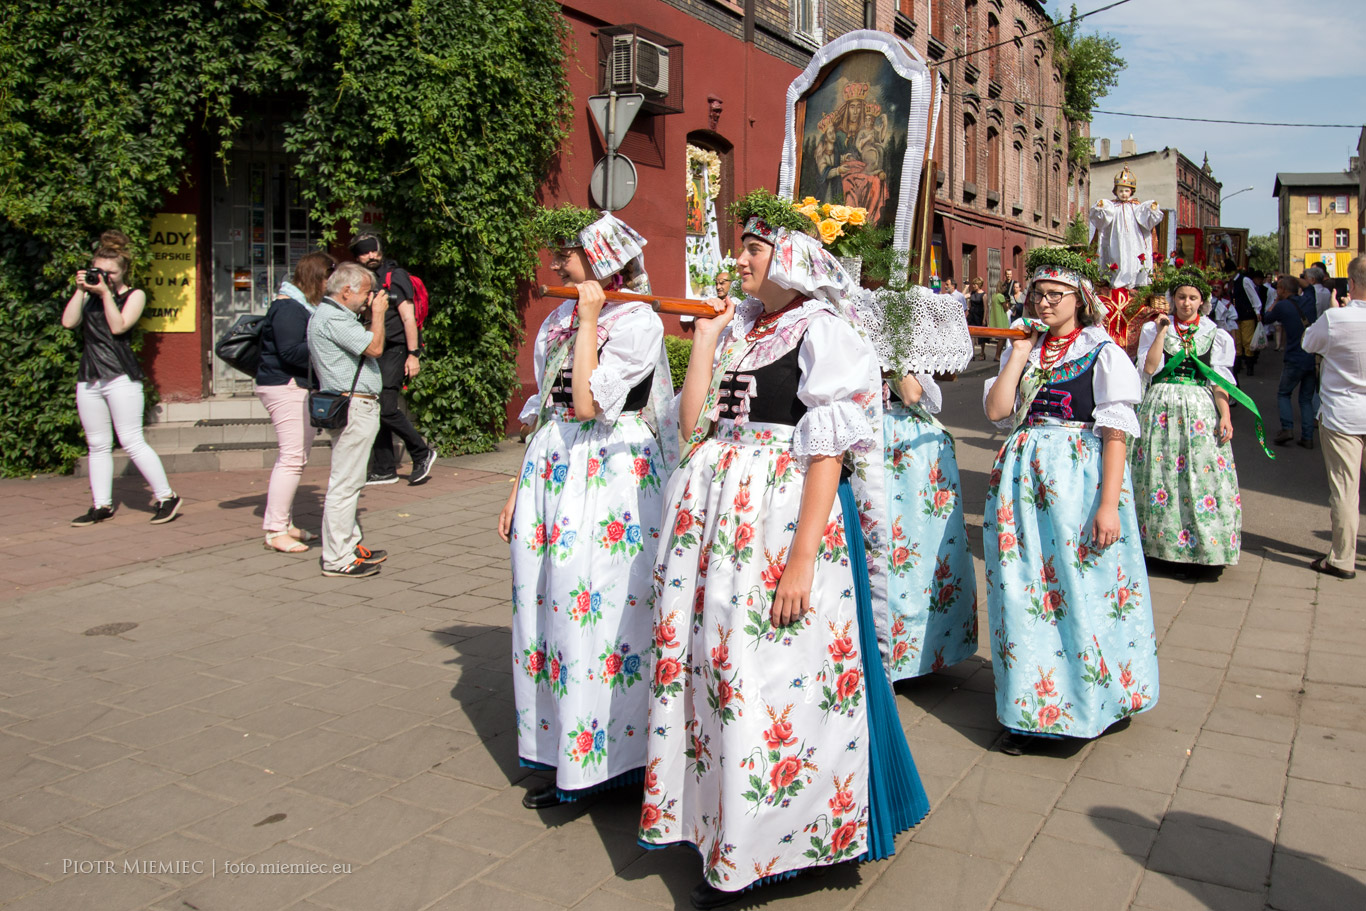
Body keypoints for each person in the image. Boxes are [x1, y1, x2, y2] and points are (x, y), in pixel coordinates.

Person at [641, 192, 927, 908]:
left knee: (770, 673)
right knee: (720, 668)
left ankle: (776, 839)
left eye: (753, 247)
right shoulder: (742, 327)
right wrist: (705, 339)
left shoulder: (823, 331)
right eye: (740, 245)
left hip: (782, 519)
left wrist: (802, 559)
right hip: (724, 524)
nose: (738, 258)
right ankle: (720, 822)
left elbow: (829, 451)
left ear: (791, 257)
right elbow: (693, 425)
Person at [497, 206, 676, 811]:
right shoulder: (558, 318)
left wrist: (592, 317)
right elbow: (548, 412)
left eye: (567, 254)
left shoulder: (636, 321)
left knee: (598, 607)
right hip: (554, 467)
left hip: (611, 469)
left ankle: (617, 757)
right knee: (545, 605)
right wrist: (517, 489)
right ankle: (562, 752)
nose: (556, 264)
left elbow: (586, 407)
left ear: (601, 262)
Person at [982, 247, 1159, 755]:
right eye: (1038, 293)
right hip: (1022, 485)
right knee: (1023, 591)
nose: (1044, 303)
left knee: (1082, 590)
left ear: (1079, 299)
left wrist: (1109, 505)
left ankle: (1092, 701)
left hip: (1079, 483)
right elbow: (997, 411)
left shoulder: (1102, 353)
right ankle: (1031, 710)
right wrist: (1018, 354)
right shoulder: (1026, 350)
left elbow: (1116, 433)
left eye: (1055, 295)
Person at [63, 230, 181, 527]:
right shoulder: (88, 296)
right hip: (89, 377)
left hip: (120, 376)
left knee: (131, 440)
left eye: (111, 273)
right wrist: (80, 291)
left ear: (124, 270)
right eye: (99, 271)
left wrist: (105, 294)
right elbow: (68, 322)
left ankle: (166, 496)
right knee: (97, 445)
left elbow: (119, 327)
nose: (104, 277)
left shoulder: (134, 295)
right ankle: (101, 505)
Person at [1130, 269, 1243, 573]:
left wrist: (1225, 415)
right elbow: (1149, 369)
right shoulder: (1154, 329)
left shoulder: (1214, 334)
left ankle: (1202, 548)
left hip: (1200, 412)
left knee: (1199, 475)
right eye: (1181, 297)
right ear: (1172, 299)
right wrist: (1162, 332)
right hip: (1160, 408)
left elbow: (1219, 381)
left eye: (1193, 297)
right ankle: (1160, 548)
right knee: (1161, 474)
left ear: (1202, 301)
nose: (1187, 303)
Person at [884, 370, 978, 678]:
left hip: (903, 440)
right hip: (866, 434)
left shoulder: (897, 343)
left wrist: (888, 353)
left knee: (912, 546)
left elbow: (910, 393)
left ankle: (913, 653)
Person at [308, 262, 388, 578]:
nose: (369, 299)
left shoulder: (333, 316)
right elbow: (375, 347)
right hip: (354, 406)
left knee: (350, 481)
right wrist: (378, 314)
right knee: (345, 484)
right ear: (345, 291)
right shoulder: (333, 318)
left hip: (352, 405)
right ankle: (337, 558)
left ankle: (349, 545)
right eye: (367, 293)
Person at [255, 251, 334, 553]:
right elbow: (290, 352)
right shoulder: (288, 307)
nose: (331, 286)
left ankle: (285, 524)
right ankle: (276, 531)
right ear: (316, 278)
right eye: (328, 279)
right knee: (291, 459)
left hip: (291, 386)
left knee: (295, 458)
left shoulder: (298, 305)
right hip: (285, 386)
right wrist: (325, 342)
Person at [350, 233, 436, 487]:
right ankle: (384, 468)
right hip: (373, 351)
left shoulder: (394, 276)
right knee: (374, 407)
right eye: (365, 252)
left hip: (395, 349)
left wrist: (413, 354)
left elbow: (409, 317)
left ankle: (422, 453)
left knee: (387, 407)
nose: (371, 255)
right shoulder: (362, 280)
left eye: (374, 250)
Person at [1303, 254, 1366, 580]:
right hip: (1348, 412)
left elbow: (1308, 342)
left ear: (1350, 284)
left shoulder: (1336, 318)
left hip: (1343, 413)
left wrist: (1334, 309)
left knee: (1345, 490)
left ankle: (1342, 558)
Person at [1263, 276, 1318, 448]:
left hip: (1294, 356)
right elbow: (1309, 287)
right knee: (1306, 399)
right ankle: (1308, 437)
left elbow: (1266, 317)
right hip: (1312, 357)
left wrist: (1276, 300)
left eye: (1279, 288)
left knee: (1284, 393)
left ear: (1283, 290)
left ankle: (1287, 428)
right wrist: (1293, 278)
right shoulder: (1309, 299)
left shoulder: (1282, 306)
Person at [1088, 167, 1163, 290]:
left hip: (1133, 241)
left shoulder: (1137, 207)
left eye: (1126, 191)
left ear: (1131, 192)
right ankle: (1114, 281)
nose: (1123, 193)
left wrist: (1151, 209)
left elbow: (1147, 218)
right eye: (1121, 191)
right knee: (1116, 258)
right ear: (1116, 191)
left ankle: (1133, 282)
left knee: (1132, 260)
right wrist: (1101, 207)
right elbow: (1101, 220)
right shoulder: (1112, 207)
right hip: (1115, 239)